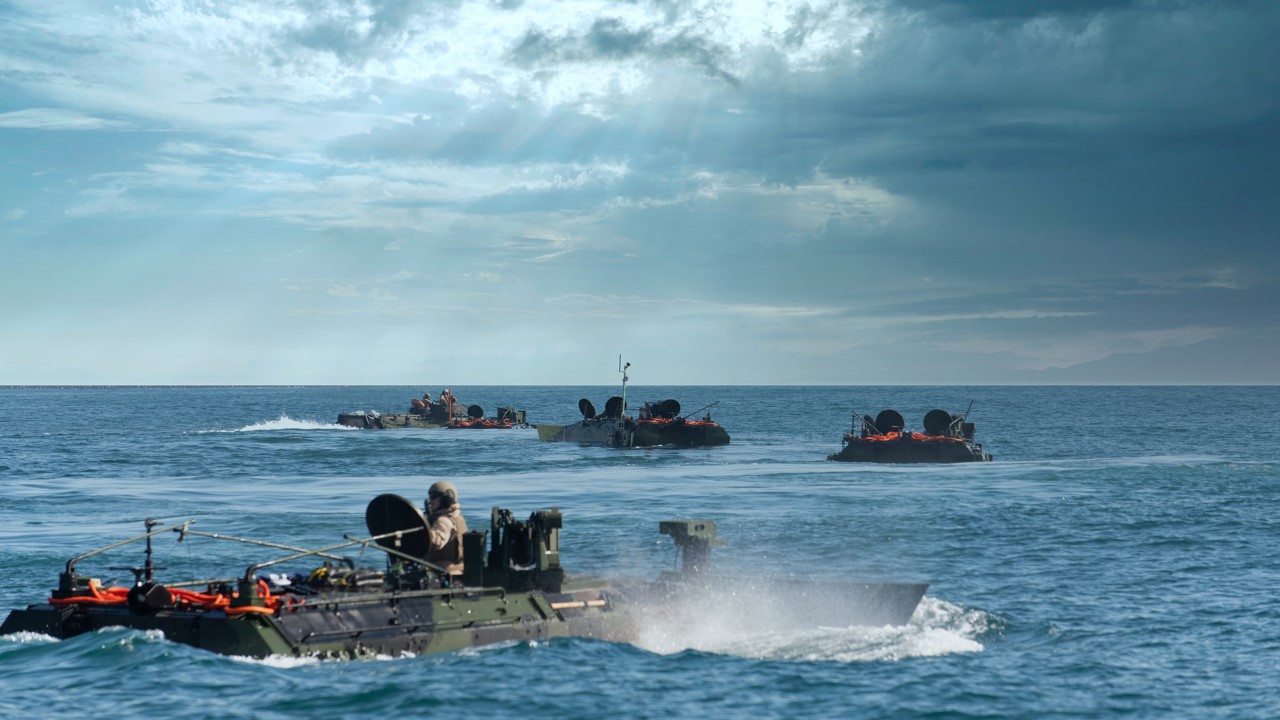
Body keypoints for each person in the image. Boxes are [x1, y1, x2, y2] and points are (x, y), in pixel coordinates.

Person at [424, 480, 467, 576]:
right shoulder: (456, 516)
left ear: (446, 499)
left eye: (434, 497)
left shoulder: (444, 521)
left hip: (441, 572)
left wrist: (418, 533)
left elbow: (436, 542)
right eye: (429, 497)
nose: (430, 501)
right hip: (455, 569)